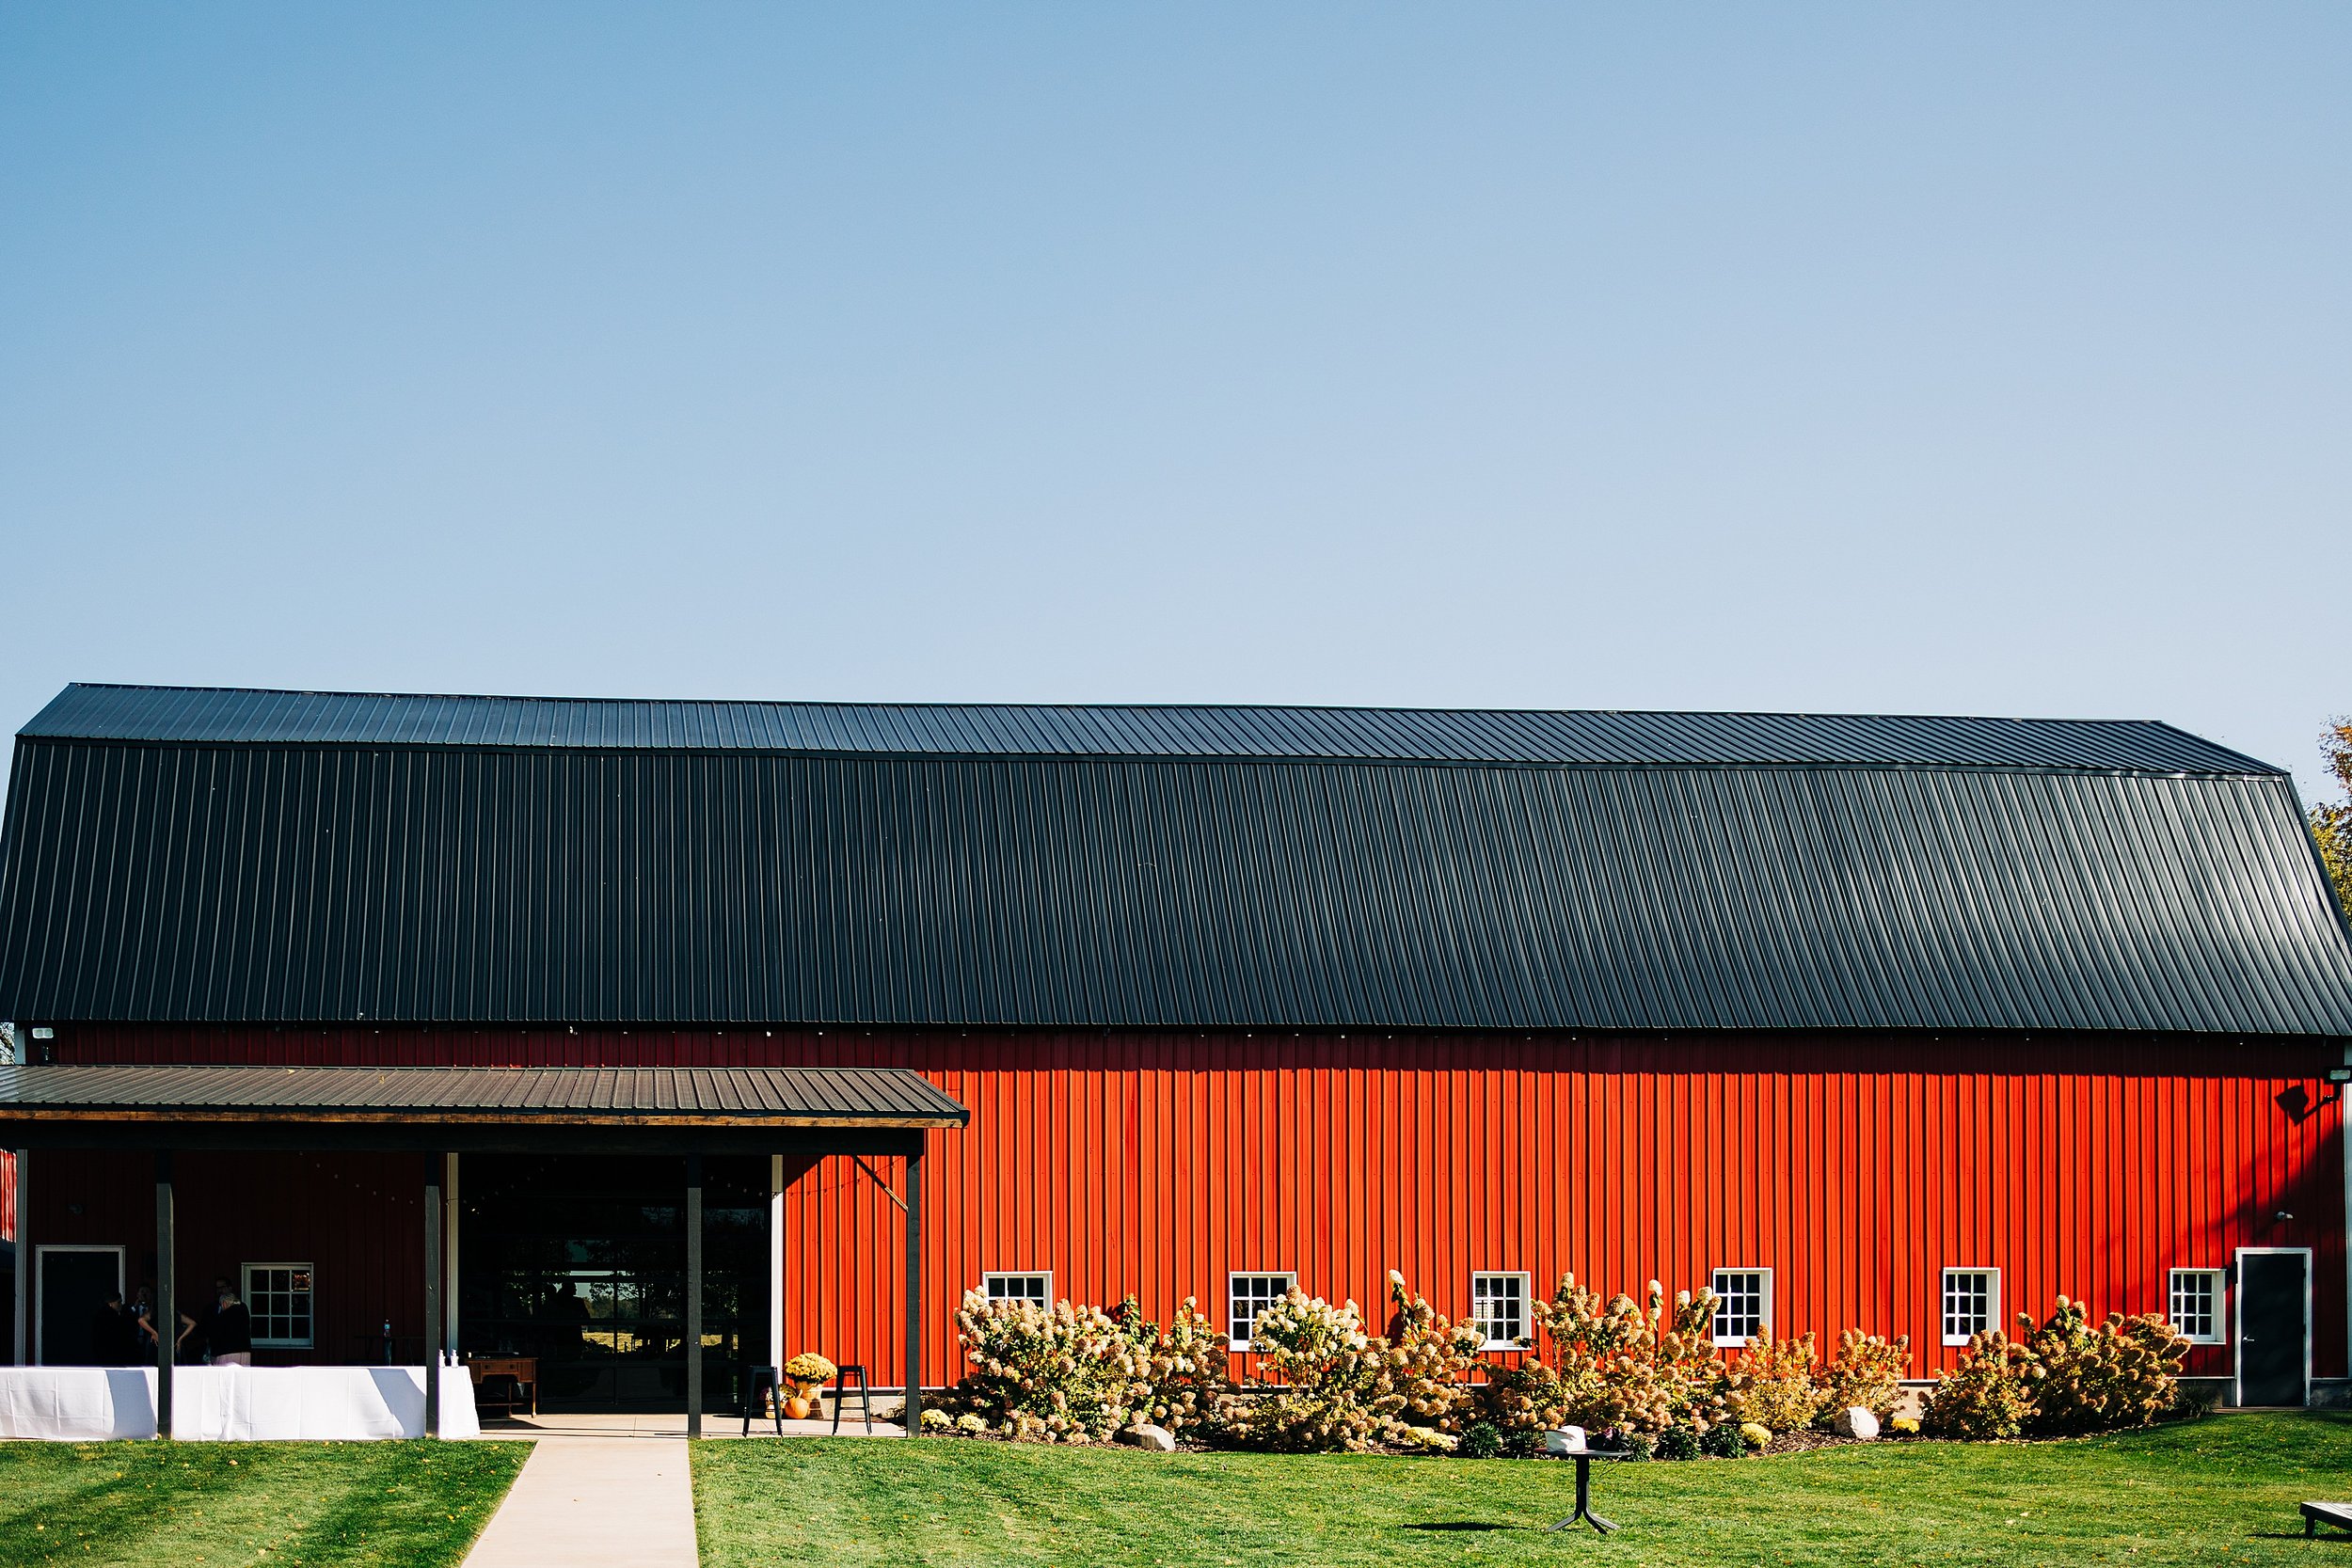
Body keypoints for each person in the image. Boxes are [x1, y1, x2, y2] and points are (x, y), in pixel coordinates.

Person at [208, 1284, 253, 1367]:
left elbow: (216, 1334)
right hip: (245, 1351)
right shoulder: (243, 1309)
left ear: (224, 1303)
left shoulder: (223, 1316)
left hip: (227, 1352)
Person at [89, 1290, 135, 1366]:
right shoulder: (111, 1317)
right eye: (118, 1302)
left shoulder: (100, 1315)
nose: (121, 1305)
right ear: (110, 1303)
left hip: (102, 1354)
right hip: (111, 1354)